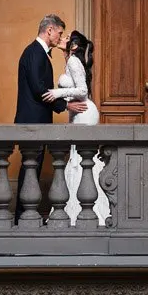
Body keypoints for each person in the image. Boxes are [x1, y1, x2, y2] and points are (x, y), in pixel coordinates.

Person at [13, 14, 87, 224]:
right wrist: (65, 105)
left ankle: (25, 215)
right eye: (60, 33)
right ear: (49, 30)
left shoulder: (37, 52)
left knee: (32, 168)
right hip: (32, 122)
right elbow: (39, 90)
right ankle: (23, 217)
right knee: (30, 168)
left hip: (36, 120)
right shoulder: (35, 52)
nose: (60, 37)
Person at [43, 30, 109, 226]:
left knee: (82, 158)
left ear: (72, 46)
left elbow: (82, 91)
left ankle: (89, 208)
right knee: (79, 158)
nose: (62, 39)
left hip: (84, 112)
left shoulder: (73, 61)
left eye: (66, 38)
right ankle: (79, 207)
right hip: (79, 112)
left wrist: (57, 93)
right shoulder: (71, 60)